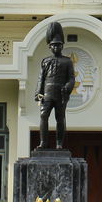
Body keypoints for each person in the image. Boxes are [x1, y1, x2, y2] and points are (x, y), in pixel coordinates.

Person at [35, 22, 75, 150]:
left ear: (62, 46)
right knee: (43, 116)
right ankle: (43, 142)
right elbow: (41, 78)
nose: (56, 48)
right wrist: (38, 92)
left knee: (60, 118)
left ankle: (59, 143)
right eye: (53, 45)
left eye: (58, 45)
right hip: (47, 93)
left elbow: (71, 78)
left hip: (60, 93)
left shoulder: (67, 61)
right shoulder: (46, 61)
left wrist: (68, 87)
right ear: (50, 47)